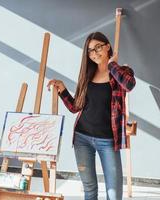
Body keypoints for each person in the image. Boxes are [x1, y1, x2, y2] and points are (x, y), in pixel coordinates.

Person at [47, 32, 136, 200]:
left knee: (114, 194)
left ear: (107, 46)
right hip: (82, 138)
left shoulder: (121, 72)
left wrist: (111, 65)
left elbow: (129, 85)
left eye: (98, 48)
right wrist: (63, 90)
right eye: (90, 51)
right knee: (89, 190)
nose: (94, 53)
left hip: (107, 141)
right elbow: (76, 107)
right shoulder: (88, 74)